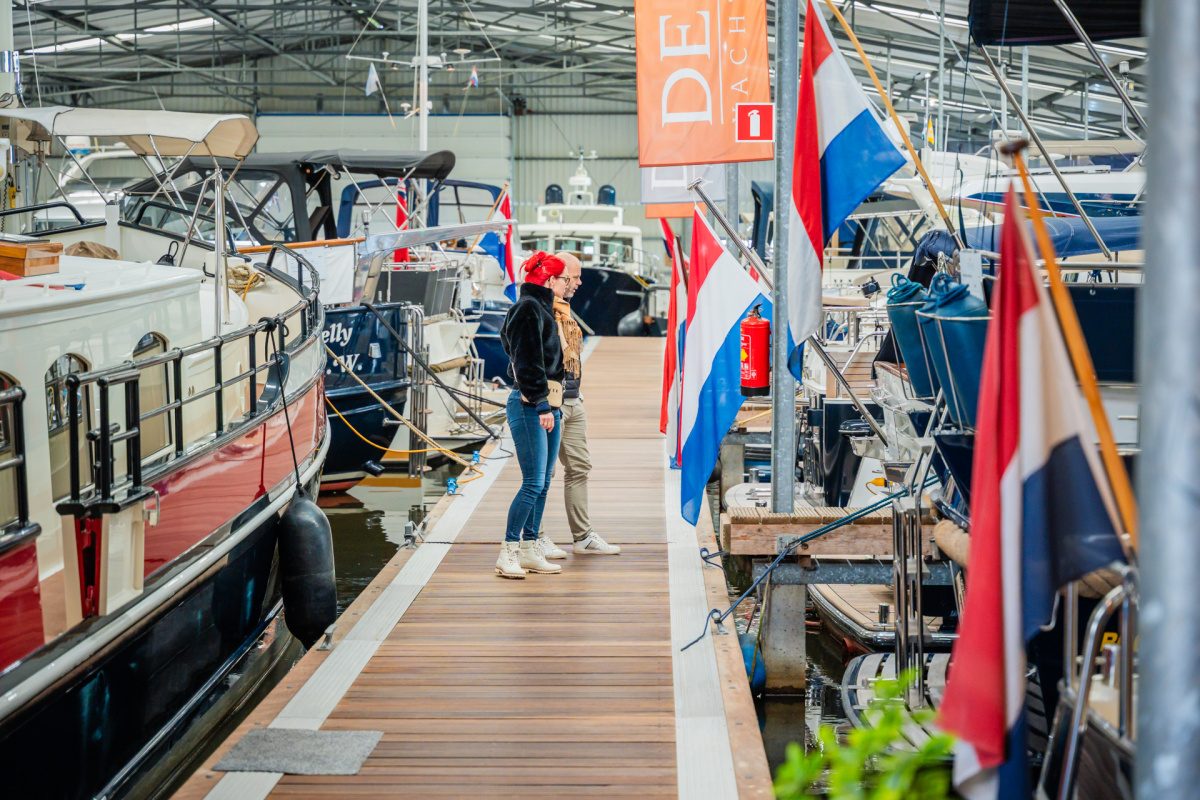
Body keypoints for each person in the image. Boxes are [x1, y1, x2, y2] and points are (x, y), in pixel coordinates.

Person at [537, 252, 620, 556]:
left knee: (579, 467)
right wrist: (542, 403)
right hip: (549, 404)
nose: (580, 282)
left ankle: (582, 538)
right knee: (542, 474)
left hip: (573, 400)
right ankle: (534, 537)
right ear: (557, 278)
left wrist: (575, 393)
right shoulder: (540, 310)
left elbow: (570, 358)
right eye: (575, 277)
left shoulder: (565, 311)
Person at [495, 252, 570, 579]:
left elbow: (510, 345)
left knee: (544, 480)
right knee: (533, 482)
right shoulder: (528, 308)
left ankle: (529, 548)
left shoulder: (539, 308)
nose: (567, 284)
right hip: (531, 405)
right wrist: (541, 404)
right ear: (550, 280)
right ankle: (508, 551)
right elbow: (525, 359)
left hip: (547, 402)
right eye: (564, 279)